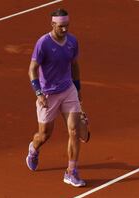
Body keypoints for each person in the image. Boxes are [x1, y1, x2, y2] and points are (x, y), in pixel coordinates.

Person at [26, 8, 86, 187]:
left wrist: (78, 89)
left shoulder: (72, 41)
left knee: (74, 131)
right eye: (61, 26)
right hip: (48, 95)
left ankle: (71, 172)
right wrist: (38, 93)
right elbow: (32, 69)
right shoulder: (43, 43)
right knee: (44, 135)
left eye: (67, 26)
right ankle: (33, 149)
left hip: (68, 90)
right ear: (52, 24)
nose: (65, 30)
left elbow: (74, 65)